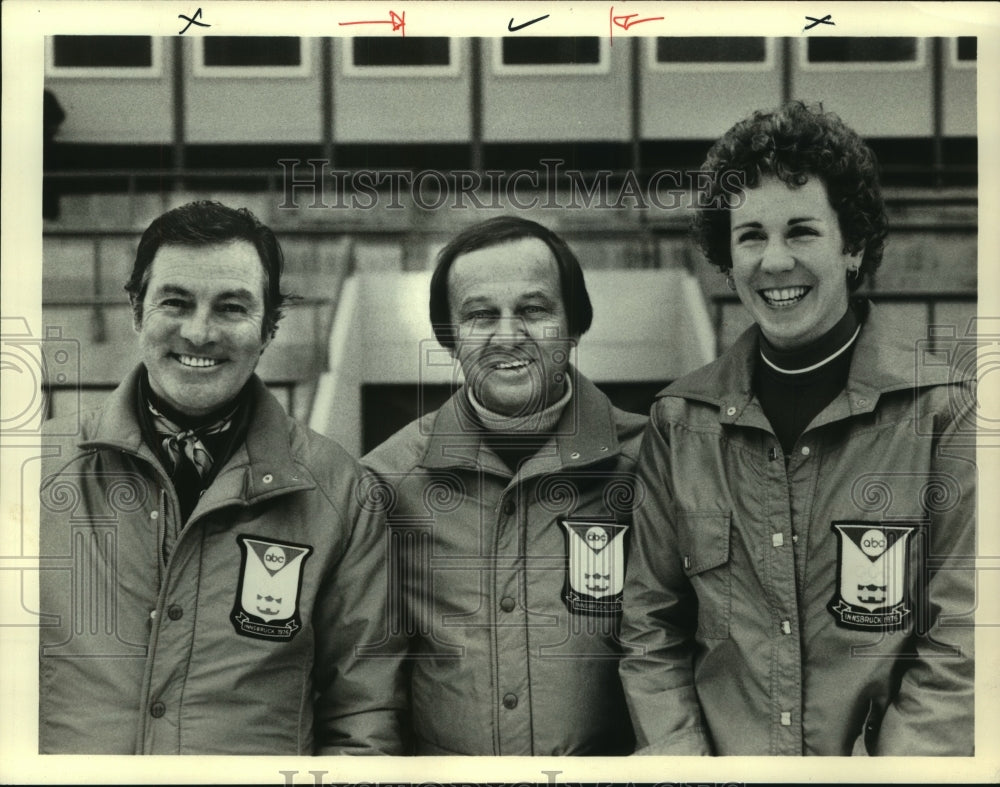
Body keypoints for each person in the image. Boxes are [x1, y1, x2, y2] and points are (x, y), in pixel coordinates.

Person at [619, 101, 975, 756]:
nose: (774, 261)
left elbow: (965, 644)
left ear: (853, 246)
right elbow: (651, 636)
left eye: (802, 231)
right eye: (751, 235)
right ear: (727, 257)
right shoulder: (679, 423)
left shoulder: (943, 415)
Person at [39, 201, 405, 755]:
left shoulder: (341, 493)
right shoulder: (33, 469)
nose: (199, 332)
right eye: (175, 302)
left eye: (231, 307)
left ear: (268, 328)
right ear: (137, 313)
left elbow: (363, 717)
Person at [361, 216, 646, 755]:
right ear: (449, 337)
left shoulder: (649, 465)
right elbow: (368, 684)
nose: (508, 335)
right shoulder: (387, 482)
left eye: (534, 310)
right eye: (480, 315)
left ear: (575, 324)